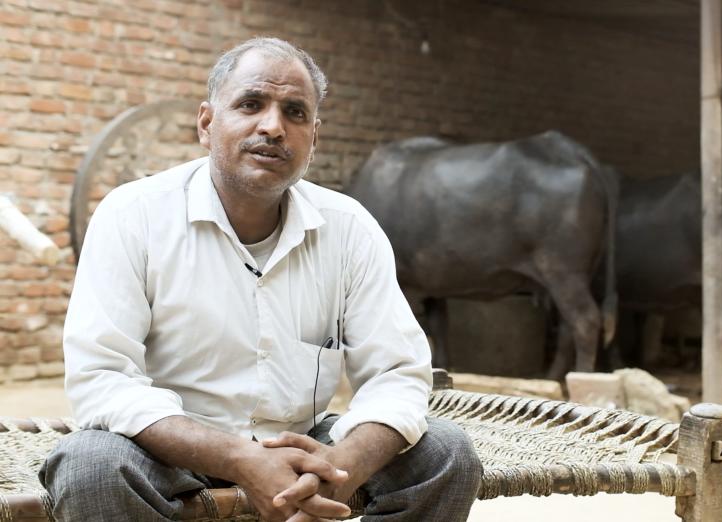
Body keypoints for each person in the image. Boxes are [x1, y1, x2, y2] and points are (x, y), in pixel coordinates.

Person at [39, 37, 481, 522]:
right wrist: (237, 457)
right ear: (207, 124)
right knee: (90, 465)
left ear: (314, 138)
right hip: (169, 446)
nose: (273, 126)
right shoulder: (132, 215)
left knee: (447, 454)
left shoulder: (350, 228)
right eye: (251, 104)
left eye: (295, 112)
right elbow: (102, 379)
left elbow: (397, 373)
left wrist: (342, 465)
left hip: (307, 443)